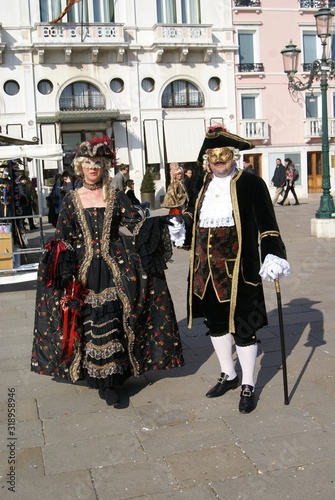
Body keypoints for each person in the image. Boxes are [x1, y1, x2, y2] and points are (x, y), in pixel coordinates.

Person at [31, 136, 183, 406]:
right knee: (88, 319)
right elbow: (64, 237)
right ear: (80, 167)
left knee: (115, 315)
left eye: (98, 163)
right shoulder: (70, 200)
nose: (92, 168)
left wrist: (166, 222)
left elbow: (137, 223)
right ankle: (96, 376)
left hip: (115, 264)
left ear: (104, 167)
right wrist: (63, 270)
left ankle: (113, 379)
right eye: (88, 163)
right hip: (83, 267)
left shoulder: (116, 196)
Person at [168, 126, 290, 414]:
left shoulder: (250, 183)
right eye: (213, 156)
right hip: (204, 271)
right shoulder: (202, 186)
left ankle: (248, 382)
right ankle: (229, 374)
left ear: (233, 156)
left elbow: (267, 222)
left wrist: (272, 255)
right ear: (207, 160)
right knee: (216, 324)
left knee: (244, 328)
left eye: (223, 155)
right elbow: (194, 218)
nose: (218, 161)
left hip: (238, 271)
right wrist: (180, 227)